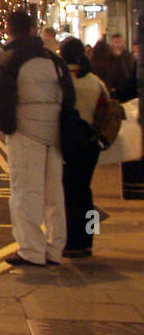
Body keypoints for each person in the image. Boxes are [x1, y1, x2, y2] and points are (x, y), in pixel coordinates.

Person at [0, 10, 73, 266]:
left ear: (8, 30)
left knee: (26, 192)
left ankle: (31, 250)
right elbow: (69, 95)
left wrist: (8, 127)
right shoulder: (53, 59)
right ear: (32, 29)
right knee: (54, 194)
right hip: (54, 134)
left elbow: (1, 98)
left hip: (25, 132)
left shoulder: (10, 60)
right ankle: (55, 248)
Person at [58, 37, 107, 259]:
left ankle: (72, 242)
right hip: (91, 143)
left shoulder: (63, 81)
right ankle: (89, 239)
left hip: (69, 142)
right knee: (85, 192)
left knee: (69, 193)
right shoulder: (95, 81)